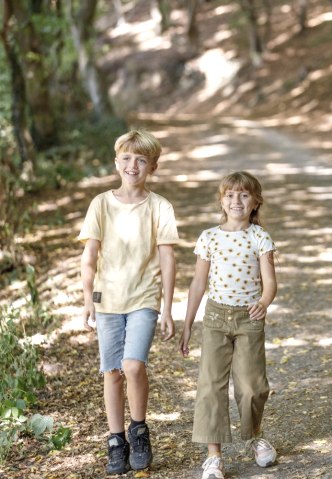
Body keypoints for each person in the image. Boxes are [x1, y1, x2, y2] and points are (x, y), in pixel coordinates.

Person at [78, 130, 179, 475]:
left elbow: (167, 259)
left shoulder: (160, 207)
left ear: (152, 166)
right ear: (116, 163)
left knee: (133, 366)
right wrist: (89, 299)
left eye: (141, 159)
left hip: (144, 297)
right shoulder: (100, 204)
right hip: (107, 300)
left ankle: (139, 431)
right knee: (112, 371)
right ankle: (116, 439)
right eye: (126, 158)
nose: (132, 165)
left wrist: (167, 307)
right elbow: (89, 256)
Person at [179, 171, 278, 479]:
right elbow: (198, 283)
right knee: (211, 385)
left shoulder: (260, 237)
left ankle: (255, 436)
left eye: (244, 195)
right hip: (216, 318)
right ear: (221, 201)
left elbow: (270, 283)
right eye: (230, 195)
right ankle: (214, 456)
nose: (237, 200)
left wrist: (263, 303)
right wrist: (187, 324)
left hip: (249, 319)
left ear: (255, 201)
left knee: (251, 386)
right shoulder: (209, 237)